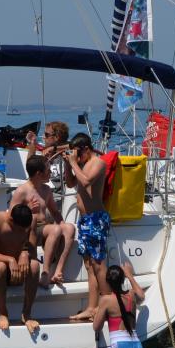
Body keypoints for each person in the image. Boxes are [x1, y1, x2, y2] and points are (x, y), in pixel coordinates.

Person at [10, 155, 77, 287]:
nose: (51, 172)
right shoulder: (22, 191)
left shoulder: (46, 190)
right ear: (38, 174)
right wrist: (28, 210)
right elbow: (12, 216)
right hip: (28, 230)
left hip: (44, 228)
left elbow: (55, 212)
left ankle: (58, 271)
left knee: (69, 228)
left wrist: (63, 225)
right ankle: (45, 273)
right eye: (48, 170)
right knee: (56, 229)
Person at [64, 133, 109, 321]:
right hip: (84, 221)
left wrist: (74, 163)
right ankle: (92, 308)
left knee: (99, 265)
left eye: (78, 153)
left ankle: (107, 306)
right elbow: (70, 183)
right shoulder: (81, 164)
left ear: (86, 149)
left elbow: (86, 181)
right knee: (89, 266)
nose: (77, 157)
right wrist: (68, 164)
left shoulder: (98, 163)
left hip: (96, 220)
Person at [0, 202, 41, 334]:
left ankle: (27, 314)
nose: (22, 233)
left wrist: (25, 253)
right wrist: (10, 259)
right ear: (10, 220)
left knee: (35, 266)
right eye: (19, 230)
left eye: (24, 230)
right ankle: (3, 313)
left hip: (16, 273)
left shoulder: (30, 222)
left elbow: (33, 253)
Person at [93, 262, 146, 348]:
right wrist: (130, 275)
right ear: (123, 280)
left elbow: (96, 327)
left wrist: (97, 313)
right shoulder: (131, 295)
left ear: (107, 281)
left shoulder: (106, 300)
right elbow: (142, 296)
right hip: (138, 346)